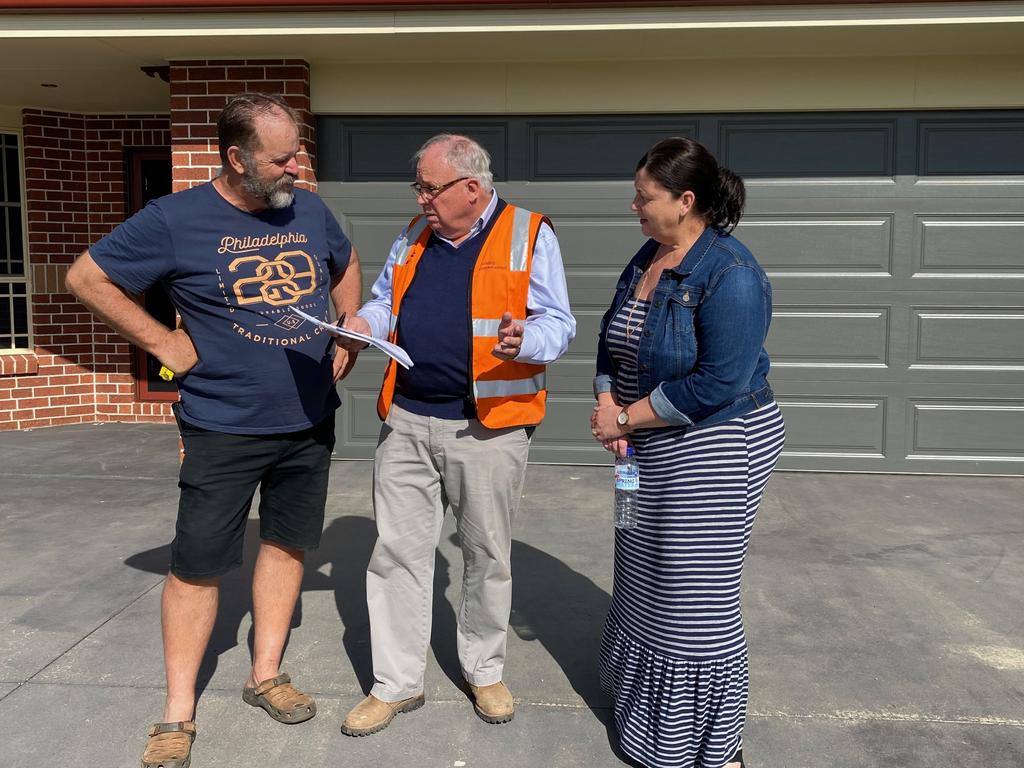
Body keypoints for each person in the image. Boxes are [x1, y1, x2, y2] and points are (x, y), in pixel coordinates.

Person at [65, 92, 361, 768]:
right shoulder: (176, 219)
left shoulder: (309, 209)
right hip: (222, 426)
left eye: (300, 154)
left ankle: (266, 676)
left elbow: (343, 265)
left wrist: (351, 327)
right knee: (197, 567)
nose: (298, 168)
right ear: (236, 157)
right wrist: (162, 343)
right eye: (282, 158)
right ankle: (176, 712)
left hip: (310, 419)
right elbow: (87, 276)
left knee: (287, 546)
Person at [336, 133, 575, 736]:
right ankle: (396, 684)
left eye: (429, 188)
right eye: (418, 187)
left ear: (472, 188)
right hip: (409, 420)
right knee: (396, 552)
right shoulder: (414, 235)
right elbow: (388, 299)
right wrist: (364, 322)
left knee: (487, 554)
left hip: (488, 428)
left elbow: (559, 322)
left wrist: (530, 342)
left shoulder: (528, 233)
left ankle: (485, 670)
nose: (421, 199)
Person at [590, 137, 785, 768]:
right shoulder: (650, 254)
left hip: (717, 444)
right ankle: (643, 721)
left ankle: (710, 750)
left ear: (687, 200)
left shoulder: (732, 274)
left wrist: (625, 415)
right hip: (647, 444)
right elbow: (610, 339)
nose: (634, 207)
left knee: (692, 602)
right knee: (642, 581)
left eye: (645, 198)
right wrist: (606, 403)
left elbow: (718, 383)